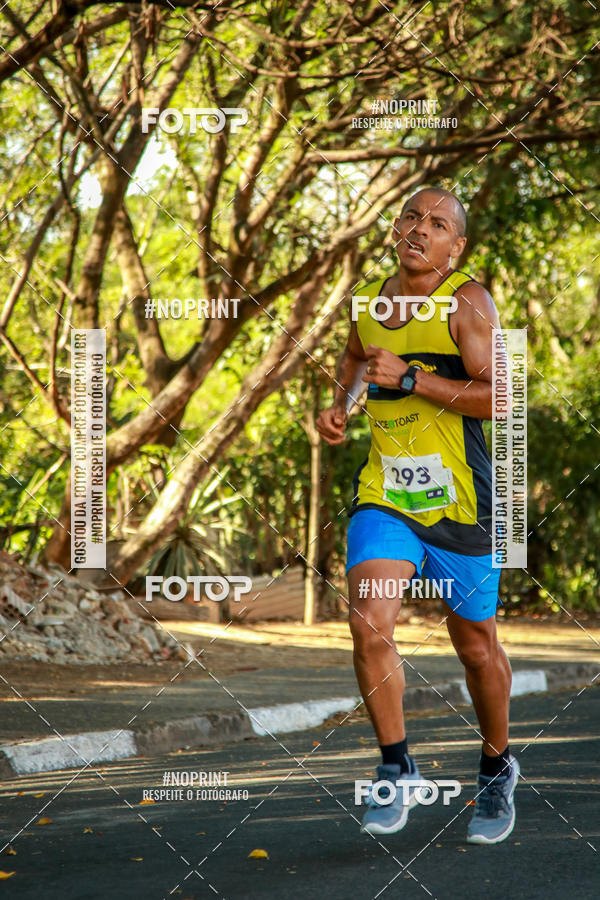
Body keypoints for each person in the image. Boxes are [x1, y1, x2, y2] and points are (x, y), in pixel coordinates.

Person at [316, 187, 519, 844]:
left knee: (476, 647)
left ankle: (495, 766)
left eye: (437, 224)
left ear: (454, 247)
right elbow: (355, 359)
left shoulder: (468, 301)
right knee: (368, 624)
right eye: (411, 216)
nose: (418, 229)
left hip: (461, 505)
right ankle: (396, 767)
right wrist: (342, 405)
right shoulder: (373, 302)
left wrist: (411, 380)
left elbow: (501, 398)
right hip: (387, 496)